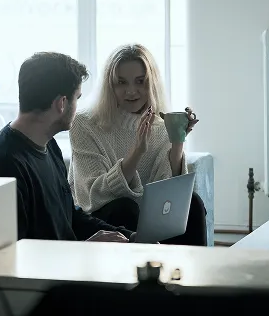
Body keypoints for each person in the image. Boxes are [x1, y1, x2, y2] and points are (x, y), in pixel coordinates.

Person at [0, 52, 134, 243]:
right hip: (54, 263)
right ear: (61, 103)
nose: (77, 106)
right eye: (77, 98)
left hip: (68, 258)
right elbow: (14, 254)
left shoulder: (48, 144)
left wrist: (130, 237)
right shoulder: (4, 166)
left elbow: (69, 217)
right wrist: (85, 250)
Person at [68, 44, 207, 245]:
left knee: (193, 204)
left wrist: (177, 141)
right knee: (125, 207)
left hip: (148, 220)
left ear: (152, 83)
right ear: (110, 86)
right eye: (121, 83)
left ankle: (192, 265)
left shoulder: (160, 126)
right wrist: (136, 152)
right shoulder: (84, 123)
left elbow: (168, 194)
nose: (131, 91)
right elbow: (93, 196)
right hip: (103, 220)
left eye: (140, 82)